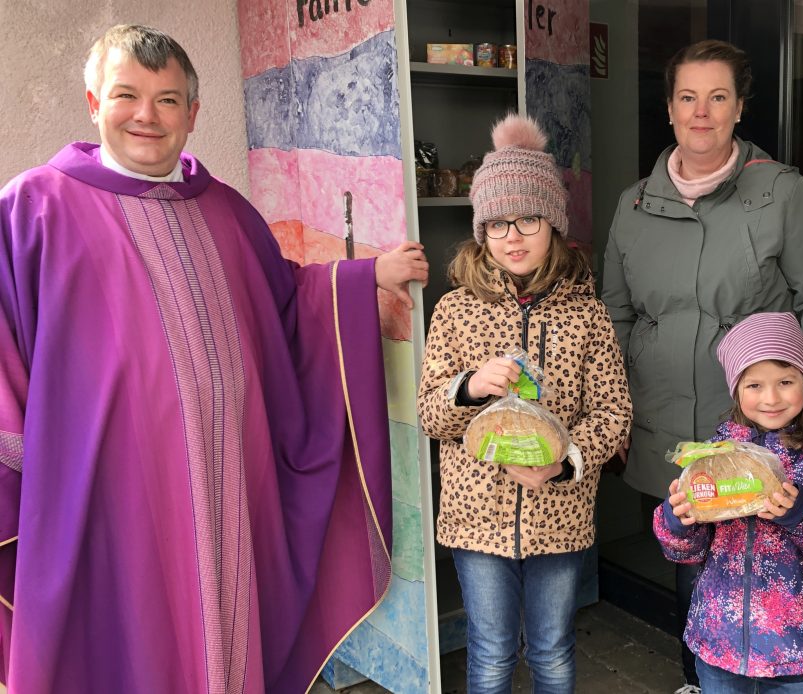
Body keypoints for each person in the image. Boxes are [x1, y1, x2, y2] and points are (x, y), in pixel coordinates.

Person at [0, 24, 429, 693]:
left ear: (193, 114)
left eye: (168, 100)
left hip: (233, 485)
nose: (147, 115)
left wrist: (360, 280)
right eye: (127, 95)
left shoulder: (228, 212)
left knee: (226, 638)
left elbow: (285, 304)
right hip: (101, 503)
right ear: (92, 101)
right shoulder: (32, 209)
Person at [601, 39, 803, 692]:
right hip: (665, 420)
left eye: (717, 97)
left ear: (740, 107)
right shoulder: (632, 206)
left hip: (759, 422)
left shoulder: (780, 192)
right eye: (687, 97)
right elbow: (615, 318)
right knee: (692, 559)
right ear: (670, 107)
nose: (700, 112)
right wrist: (621, 412)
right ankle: (701, 680)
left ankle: (785, 675)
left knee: (771, 556)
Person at [416, 113, 632, 694]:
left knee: (554, 653)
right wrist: (469, 385)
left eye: (529, 219)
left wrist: (563, 463)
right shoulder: (454, 310)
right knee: (489, 655)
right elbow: (430, 414)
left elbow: (613, 413)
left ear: (554, 224)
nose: (513, 236)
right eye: (497, 223)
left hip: (559, 517)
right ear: (481, 231)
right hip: (476, 519)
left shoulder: (586, 312)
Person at [654, 312, 803, 693]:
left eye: (785, 382)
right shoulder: (713, 459)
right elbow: (684, 553)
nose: (771, 398)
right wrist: (678, 522)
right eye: (754, 384)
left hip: (796, 649)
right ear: (736, 391)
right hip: (720, 642)